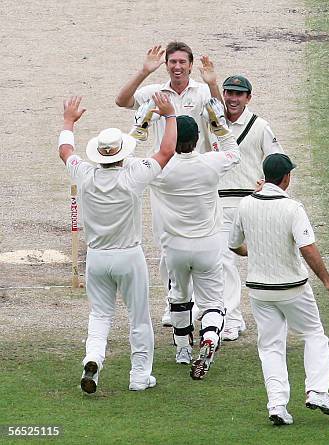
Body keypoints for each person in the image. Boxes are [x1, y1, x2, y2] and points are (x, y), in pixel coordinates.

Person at [59, 93, 177, 393]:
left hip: (97, 258)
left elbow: (65, 150)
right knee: (139, 319)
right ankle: (139, 377)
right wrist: (170, 115)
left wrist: (69, 120)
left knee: (99, 316)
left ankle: (93, 358)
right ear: (121, 155)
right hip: (128, 256)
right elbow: (166, 150)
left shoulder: (85, 175)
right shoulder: (133, 175)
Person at [229, 153, 329, 426]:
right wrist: (328, 280)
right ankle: (317, 391)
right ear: (286, 178)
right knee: (314, 335)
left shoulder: (245, 204)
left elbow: (235, 245)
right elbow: (308, 248)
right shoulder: (293, 208)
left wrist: (253, 250)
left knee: (270, 347)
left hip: (259, 291)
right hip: (292, 289)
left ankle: (277, 405)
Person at [115, 42, 222, 327]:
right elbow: (122, 101)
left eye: (181, 63)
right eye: (172, 62)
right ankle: (174, 301)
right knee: (167, 241)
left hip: (197, 169)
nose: (177, 67)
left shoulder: (200, 91)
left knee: (202, 237)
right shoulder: (154, 93)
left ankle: (203, 303)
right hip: (164, 172)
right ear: (166, 65)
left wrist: (213, 84)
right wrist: (143, 71)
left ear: (189, 65)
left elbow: (221, 116)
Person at [149, 98, 240, 377]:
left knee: (179, 296)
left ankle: (182, 349)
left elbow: (131, 159)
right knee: (213, 302)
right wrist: (219, 124)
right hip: (208, 244)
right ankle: (210, 338)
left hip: (175, 245)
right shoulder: (210, 163)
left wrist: (140, 124)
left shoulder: (160, 170)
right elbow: (234, 152)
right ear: (198, 138)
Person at [217, 75, 285, 341]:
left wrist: (267, 185)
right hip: (220, 203)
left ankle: (277, 316)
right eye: (229, 93)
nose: (233, 99)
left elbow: (280, 161)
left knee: (263, 260)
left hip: (251, 203)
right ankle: (230, 318)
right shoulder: (214, 124)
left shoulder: (260, 126)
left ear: (248, 98)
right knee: (223, 261)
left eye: (239, 94)